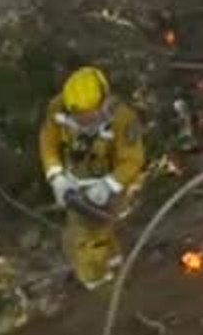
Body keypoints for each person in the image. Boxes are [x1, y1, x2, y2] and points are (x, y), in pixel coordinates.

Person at [38, 66, 146, 290]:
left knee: (97, 235)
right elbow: (48, 142)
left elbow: (133, 160)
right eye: (80, 119)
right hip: (75, 183)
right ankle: (106, 276)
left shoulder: (123, 118)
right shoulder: (57, 109)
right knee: (89, 236)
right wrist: (56, 175)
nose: (86, 124)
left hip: (113, 183)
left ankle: (107, 279)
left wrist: (108, 186)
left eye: (91, 118)